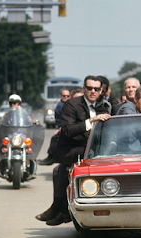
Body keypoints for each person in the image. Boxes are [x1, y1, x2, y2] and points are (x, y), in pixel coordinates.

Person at [35, 75, 111, 226]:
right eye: (89, 88)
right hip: (72, 148)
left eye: (96, 89)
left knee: (60, 171)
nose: (93, 91)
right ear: (84, 89)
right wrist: (91, 121)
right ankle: (59, 208)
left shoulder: (105, 106)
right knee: (62, 169)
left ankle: (61, 210)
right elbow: (68, 130)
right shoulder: (71, 104)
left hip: (97, 150)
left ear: (101, 90)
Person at [38, 88, 70, 166]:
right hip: (63, 127)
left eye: (68, 96)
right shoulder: (61, 105)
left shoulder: (68, 105)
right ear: (61, 96)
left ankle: (52, 158)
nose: (66, 97)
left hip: (66, 127)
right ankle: (50, 157)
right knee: (55, 138)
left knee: (55, 139)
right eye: (64, 96)